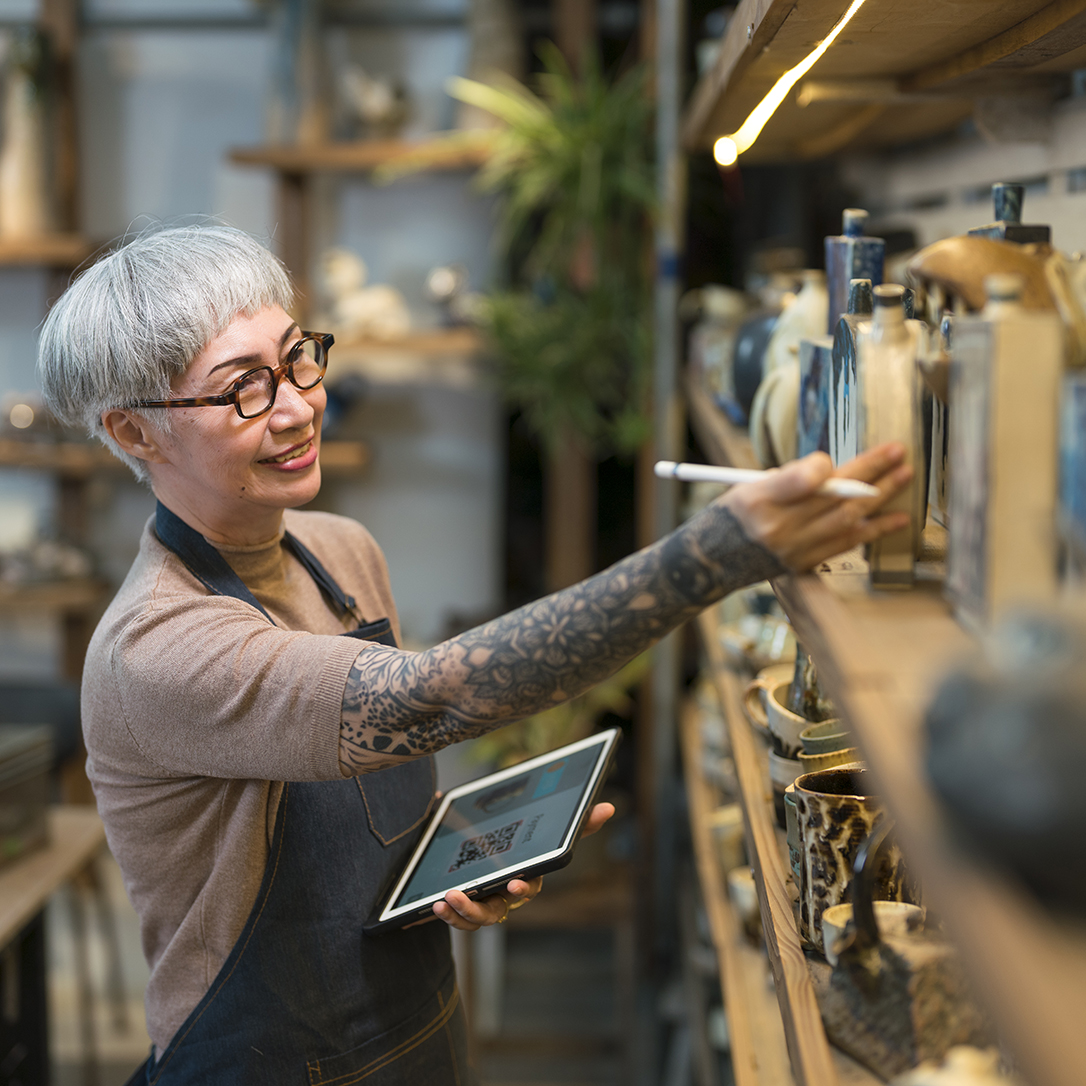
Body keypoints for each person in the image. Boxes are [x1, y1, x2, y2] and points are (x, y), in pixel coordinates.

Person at [39, 225, 911, 1085]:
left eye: (298, 358)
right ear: (135, 432)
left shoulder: (339, 550)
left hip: (416, 1029)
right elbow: (423, 703)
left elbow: (377, 784)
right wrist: (710, 557)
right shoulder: (155, 645)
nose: (301, 405)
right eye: (244, 390)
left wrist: (459, 862)